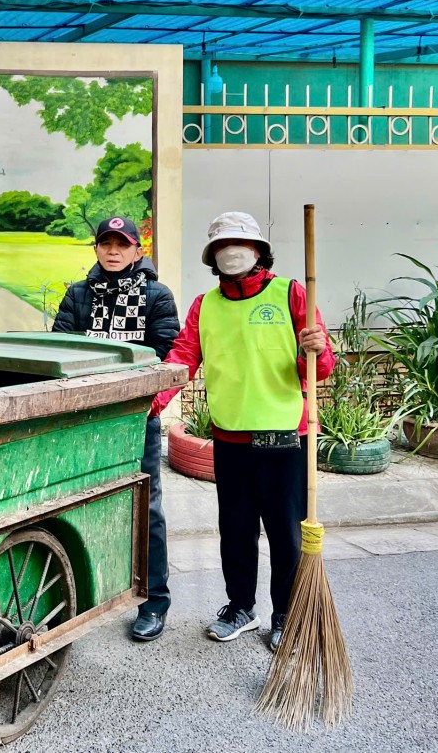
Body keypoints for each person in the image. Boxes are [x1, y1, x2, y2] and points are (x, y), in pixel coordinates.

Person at [150, 212, 333, 652]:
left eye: (239, 242)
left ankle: (286, 613)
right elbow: (182, 357)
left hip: (286, 439)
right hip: (230, 441)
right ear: (212, 255)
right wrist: (149, 406)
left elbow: (319, 370)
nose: (231, 250)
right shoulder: (204, 305)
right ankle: (240, 607)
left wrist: (318, 348)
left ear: (258, 251)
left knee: (286, 532)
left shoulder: (290, 293)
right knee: (234, 530)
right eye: (221, 244)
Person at [52, 216, 180, 642]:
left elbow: (162, 354)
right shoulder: (78, 295)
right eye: (105, 244)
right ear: (95, 250)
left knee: (146, 507)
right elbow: (60, 349)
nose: (113, 251)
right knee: (79, 503)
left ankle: (155, 600)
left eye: (121, 245)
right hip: (86, 421)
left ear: (137, 251)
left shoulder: (156, 295)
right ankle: (86, 596)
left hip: (134, 418)